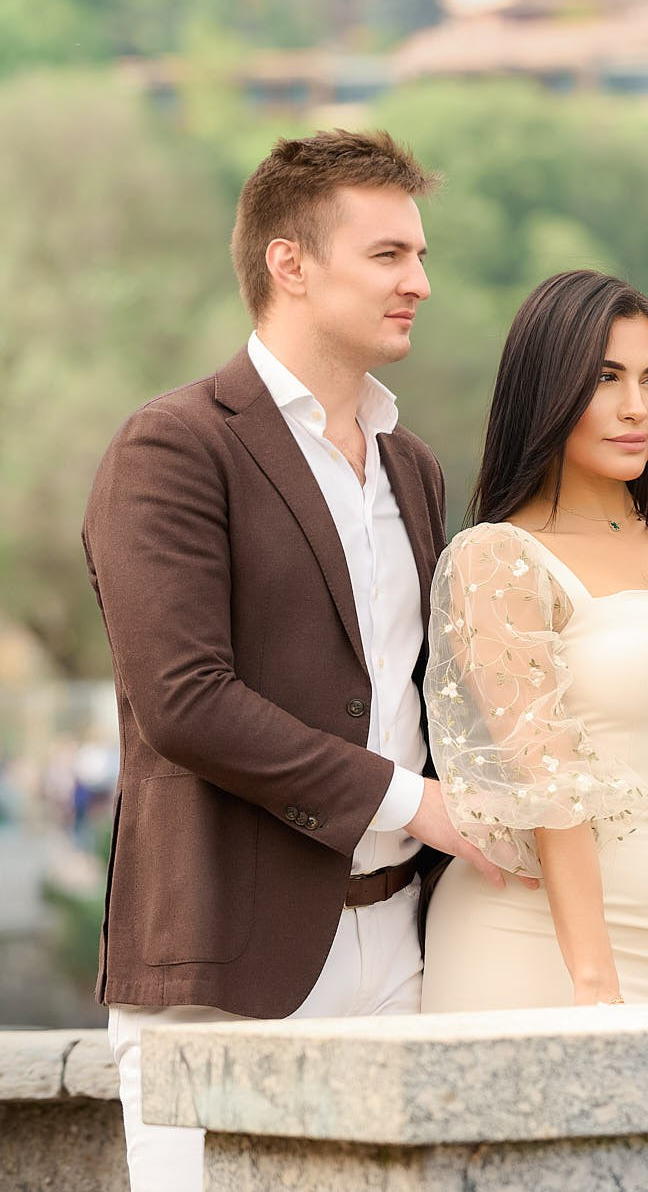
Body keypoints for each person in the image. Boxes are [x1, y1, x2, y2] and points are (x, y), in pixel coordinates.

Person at [79, 129, 489, 1191]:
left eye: (421, 255)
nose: (420, 284)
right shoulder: (172, 447)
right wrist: (414, 803)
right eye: (390, 256)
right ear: (290, 264)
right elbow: (185, 702)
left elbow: (424, 695)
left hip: (405, 945)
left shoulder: (414, 465)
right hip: (223, 957)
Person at [419, 269, 648, 1011]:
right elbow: (549, 788)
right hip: (526, 949)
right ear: (546, 391)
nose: (638, 409)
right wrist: (597, 990)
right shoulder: (498, 558)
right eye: (605, 379)